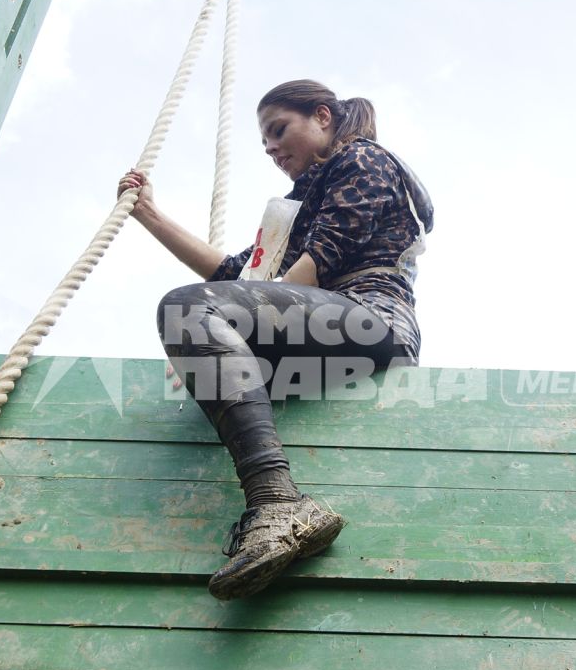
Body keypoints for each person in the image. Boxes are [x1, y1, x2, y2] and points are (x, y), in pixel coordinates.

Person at [119, 79, 433, 599]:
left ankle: (278, 502)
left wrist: (214, 332)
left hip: (370, 318)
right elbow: (236, 273)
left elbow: (313, 268)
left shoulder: (364, 162)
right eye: (264, 141)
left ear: (324, 117)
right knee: (196, 311)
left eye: (279, 130)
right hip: (324, 323)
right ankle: (276, 503)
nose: (270, 148)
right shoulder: (300, 204)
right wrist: (148, 214)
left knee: (190, 309)